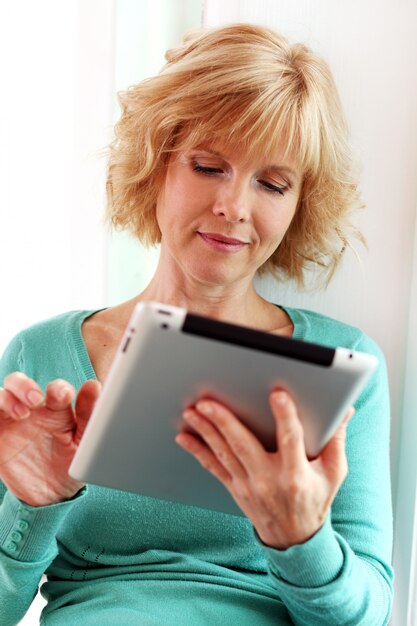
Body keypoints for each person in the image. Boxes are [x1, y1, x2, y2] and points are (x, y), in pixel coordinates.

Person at [0, 23, 393, 626]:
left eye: (272, 183)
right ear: (156, 164)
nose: (235, 206)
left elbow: (366, 615)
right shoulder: (44, 356)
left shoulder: (342, 367)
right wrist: (31, 506)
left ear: (298, 204)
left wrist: (301, 538)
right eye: (209, 166)